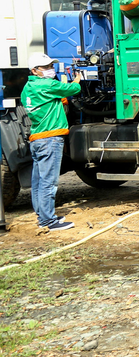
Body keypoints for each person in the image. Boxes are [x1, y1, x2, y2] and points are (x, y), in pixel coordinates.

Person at [22, 53, 80, 231]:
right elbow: (73, 90)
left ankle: (42, 215)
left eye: (50, 66)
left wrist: (59, 97)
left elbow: (50, 100)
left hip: (37, 139)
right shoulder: (48, 84)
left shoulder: (28, 88)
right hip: (50, 139)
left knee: (38, 180)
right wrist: (77, 79)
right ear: (34, 70)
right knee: (49, 181)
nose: (50, 69)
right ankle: (48, 221)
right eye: (45, 67)